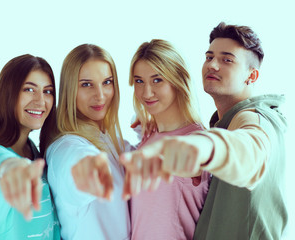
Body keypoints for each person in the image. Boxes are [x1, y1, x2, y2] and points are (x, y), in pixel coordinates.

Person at [120, 22, 287, 240]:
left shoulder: (256, 119)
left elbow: (251, 147)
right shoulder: (222, 123)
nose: (213, 65)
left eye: (227, 59)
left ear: (252, 76)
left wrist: (204, 145)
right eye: (209, 57)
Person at [0, 54, 60, 239]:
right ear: (8, 93)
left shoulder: (34, 152)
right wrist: (11, 168)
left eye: (47, 91)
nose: (40, 101)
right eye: (29, 89)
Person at [126, 39, 210, 240]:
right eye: (139, 81)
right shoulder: (147, 137)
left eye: (157, 80)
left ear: (178, 80)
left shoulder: (196, 142)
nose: (146, 92)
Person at [45, 44, 130, 239]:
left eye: (107, 82)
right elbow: (76, 164)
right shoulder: (66, 146)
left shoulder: (106, 138)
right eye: (86, 84)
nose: (100, 95)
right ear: (69, 90)